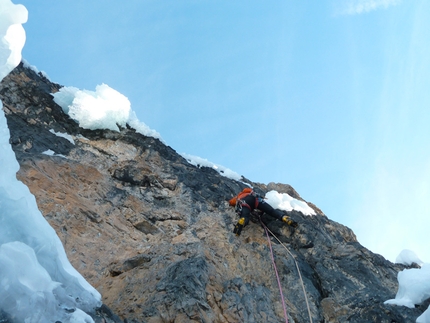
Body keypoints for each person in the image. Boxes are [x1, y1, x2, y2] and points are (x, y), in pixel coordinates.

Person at [229, 188, 298, 236]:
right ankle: (283, 217)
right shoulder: (247, 191)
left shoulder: (237, 197)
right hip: (255, 200)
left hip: (244, 202)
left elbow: (230, 202)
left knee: (245, 215)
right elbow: (251, 191)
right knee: (271, 211)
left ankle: (243, 221)